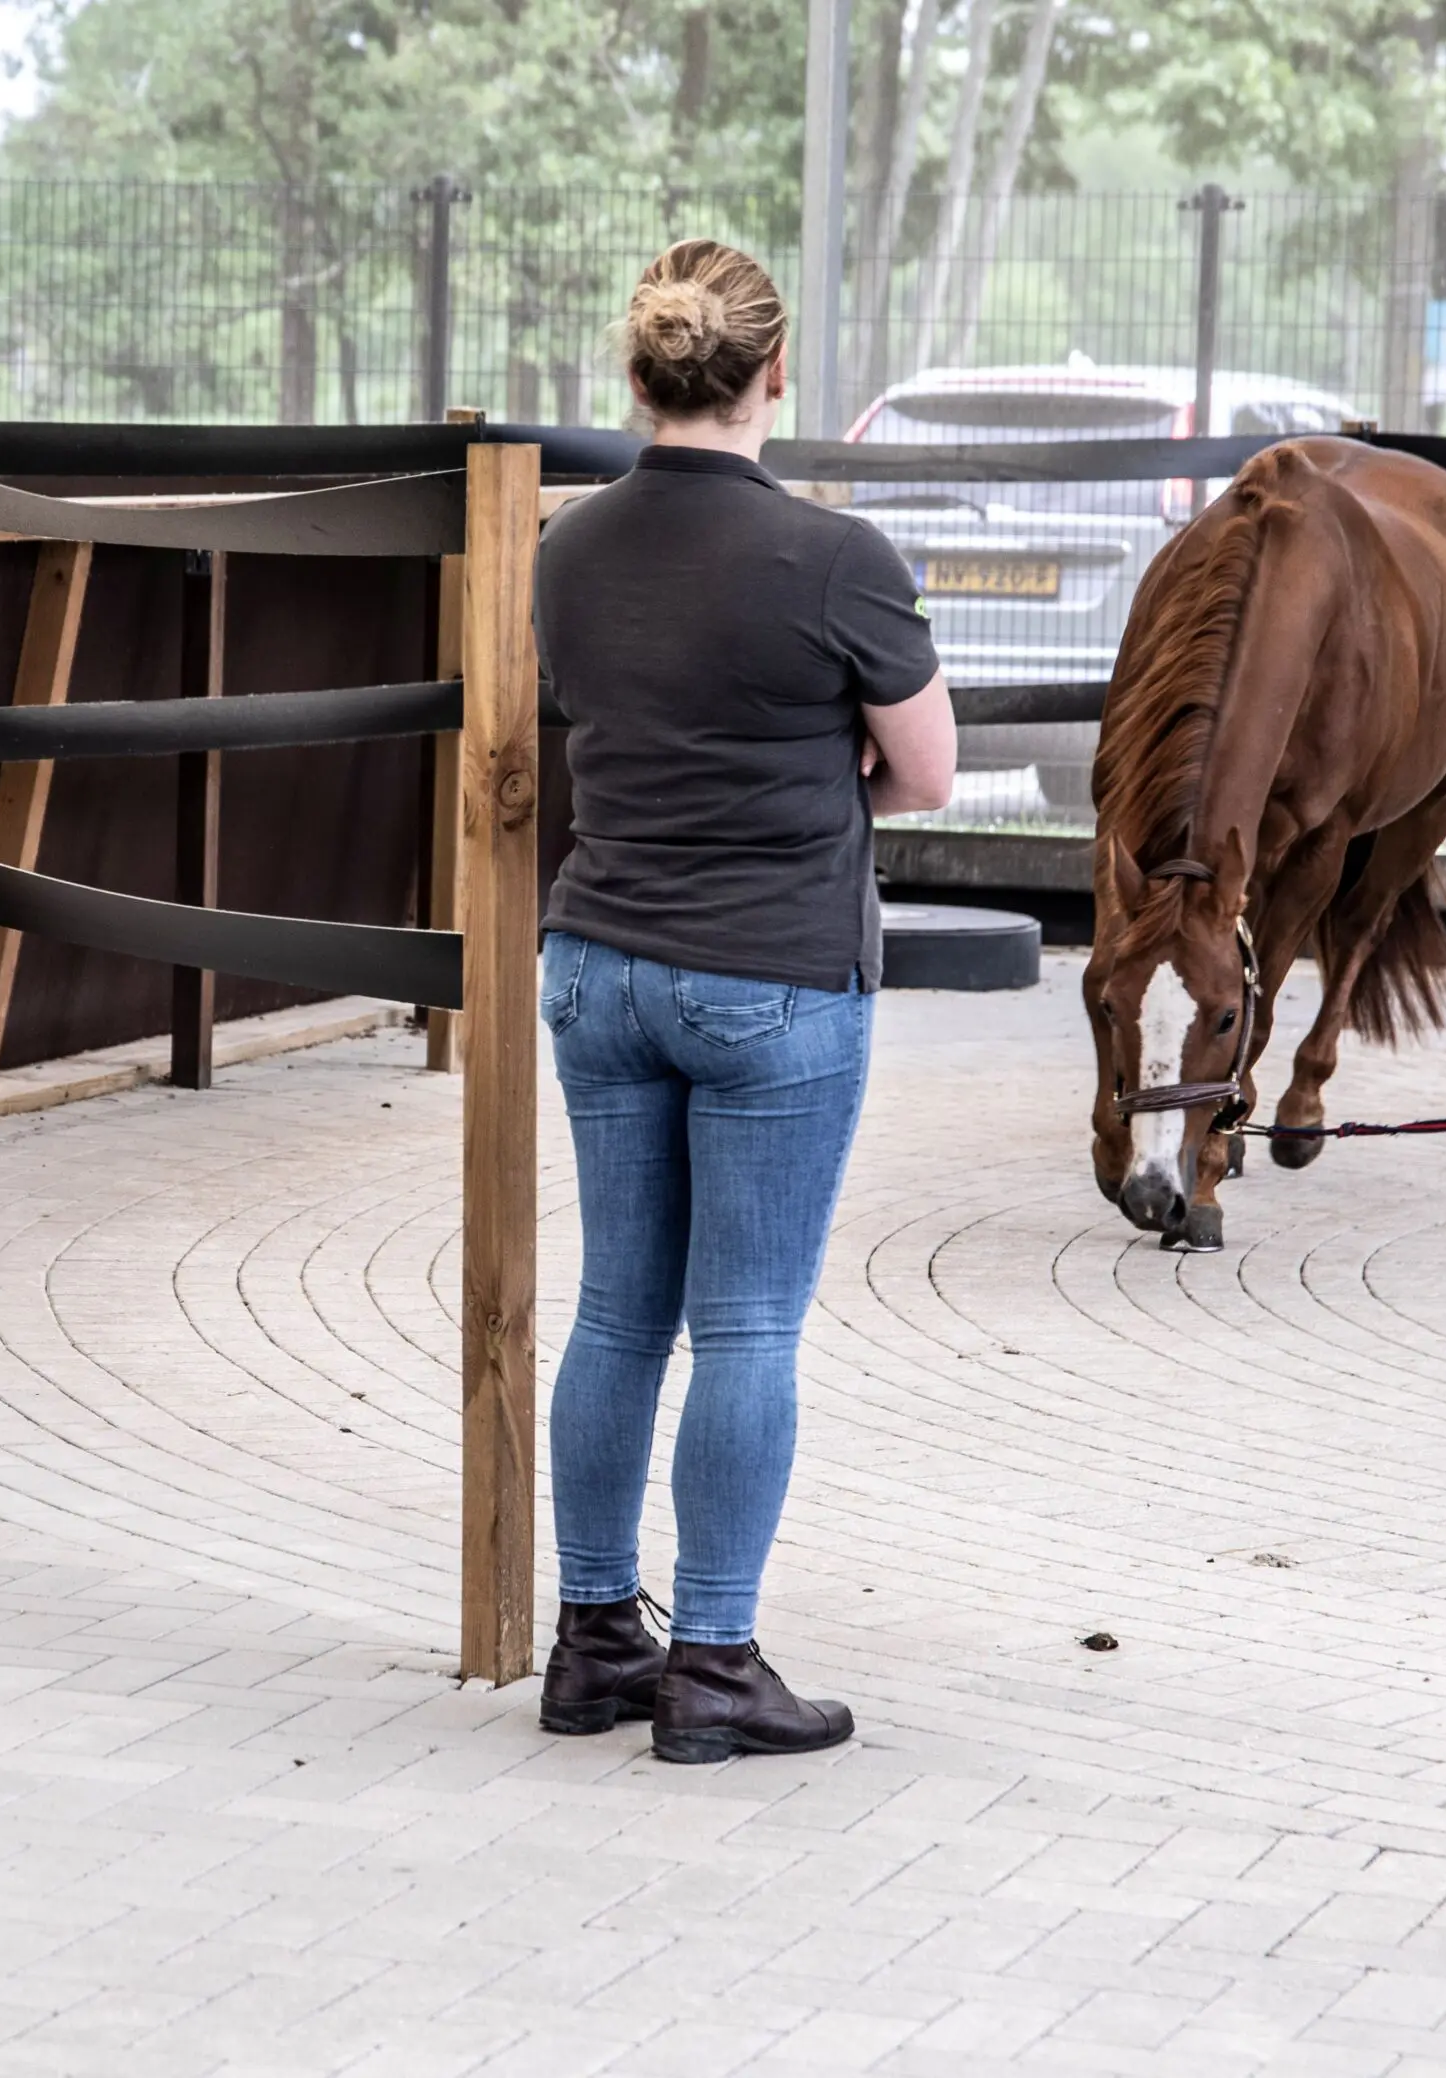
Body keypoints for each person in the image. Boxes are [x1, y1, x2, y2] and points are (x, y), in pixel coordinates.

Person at [531, 239, 957, 1763]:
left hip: (596, 966)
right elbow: (924, 771)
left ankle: (592, 1643)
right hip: (771, 979)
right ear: (777, 374)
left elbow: (601, 717)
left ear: (636, 372)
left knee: (616, 1313)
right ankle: (713, 1662)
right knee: (750, 1326)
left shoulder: (566, 547)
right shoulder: (839, 559)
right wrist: (821, 747)